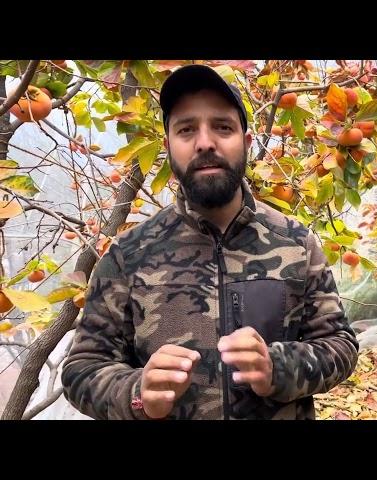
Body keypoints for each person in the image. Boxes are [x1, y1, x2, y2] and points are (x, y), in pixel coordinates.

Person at [61, 64, 359, 420]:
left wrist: (278, 368)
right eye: (187, 130)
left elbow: (339, 346)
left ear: (246, 143)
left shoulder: (296, 242)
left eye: (223, 127)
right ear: (169, 147)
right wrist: (138, 394)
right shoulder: (129, 255)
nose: (205, 142)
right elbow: (82, 369)